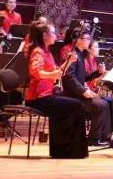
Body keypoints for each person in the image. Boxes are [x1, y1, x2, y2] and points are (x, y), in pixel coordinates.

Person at [25, 22, 88, 158]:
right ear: (45, 35)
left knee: (75, 105)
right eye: (53, 33)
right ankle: (69, 151)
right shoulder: (38, 52)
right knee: (76, 105)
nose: (56, 35)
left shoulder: (47, 52)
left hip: (47, 95)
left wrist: (69, 61)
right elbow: (36, 72)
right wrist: (52, 75)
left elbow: (57, 71)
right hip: (38, 98)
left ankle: (63, 150)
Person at [62, 32, 113, 146]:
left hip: (78, 93)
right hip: (73, 95)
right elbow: (69, 77)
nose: (89, 41)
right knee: (101, 105)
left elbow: (83, 77)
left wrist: (97, 72)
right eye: (87, 38)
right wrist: (83, 91)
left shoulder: (80, 55)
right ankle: (93, 139)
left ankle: (103, 136)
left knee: (105, 103)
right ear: (78, 40)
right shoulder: (74, 55)